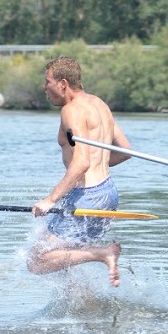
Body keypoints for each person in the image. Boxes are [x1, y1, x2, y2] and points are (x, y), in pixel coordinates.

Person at [30, 56, 132, 286]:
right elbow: (125, 151)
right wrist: (101, 164)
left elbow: (82, 162)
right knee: (65, 258)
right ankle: (81, 310)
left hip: (87, 197)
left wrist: (50, 200)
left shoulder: (71, 111)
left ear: (63, 84)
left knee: (37, 260)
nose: (44, 87)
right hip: (106, 193)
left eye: (47, 81)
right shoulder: (99, 104)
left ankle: (102, 253)